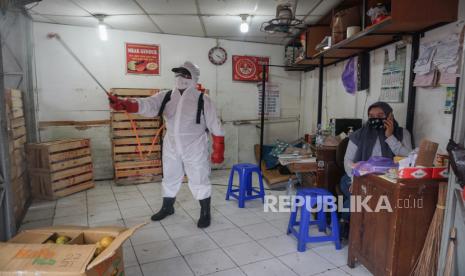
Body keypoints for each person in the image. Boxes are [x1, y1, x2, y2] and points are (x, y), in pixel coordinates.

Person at [108, 61, 224, 228]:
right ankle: (167, 207)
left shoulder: (203, 99)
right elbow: (148, 105)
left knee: (199, 179)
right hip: (171, 146)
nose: (180, 77)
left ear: (193, 77)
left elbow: (215, 125)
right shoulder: (166, 96)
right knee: (170, 177)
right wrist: (127, 104)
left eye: (184, 74)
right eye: (177, 74)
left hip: (195, 147)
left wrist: (218, 150)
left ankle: (205, 213)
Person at [339, 101, 412, 238]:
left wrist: (390, 137)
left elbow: (408, 157)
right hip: (355, 176)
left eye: (380, 115)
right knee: (357, 196)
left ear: (390, 116)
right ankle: (347, 223)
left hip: (387, 180)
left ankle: (359, 228)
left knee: (372, 199)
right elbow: (348, 161)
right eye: (371, 116)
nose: (375, 119)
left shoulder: (402, 133)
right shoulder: (358, 135)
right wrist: (354, 179)